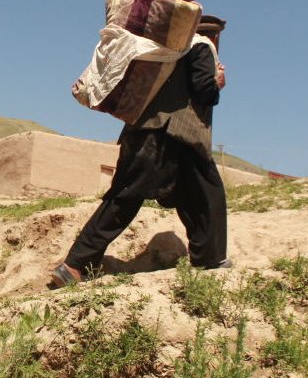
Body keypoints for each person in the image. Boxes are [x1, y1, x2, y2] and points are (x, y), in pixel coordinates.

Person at [51, 15, 230, 286]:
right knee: (130, 199)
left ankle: (209, 259)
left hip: (145, 133)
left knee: (198, 196)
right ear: (215, 35)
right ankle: (75, 265)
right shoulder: (203, 46)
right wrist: (217, 81)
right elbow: (205, 91)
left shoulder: (168, 53)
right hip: (176, 136)